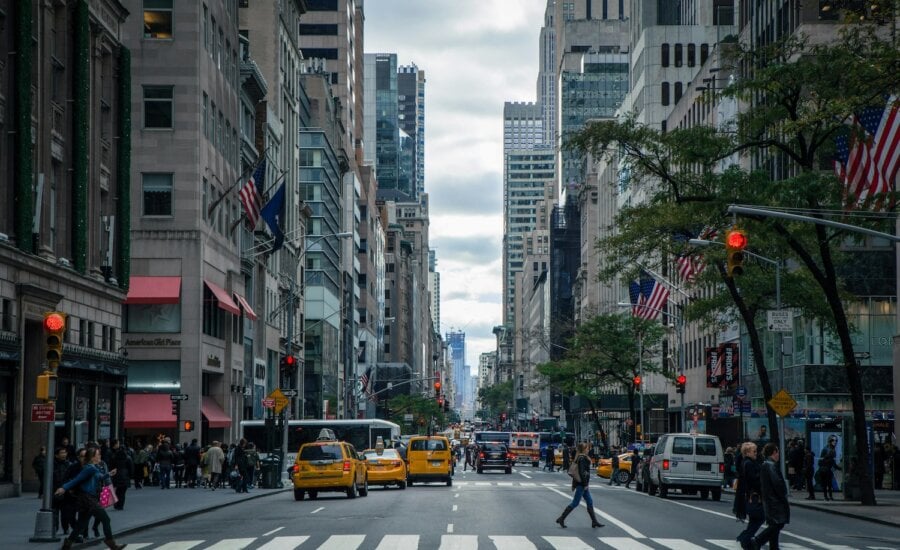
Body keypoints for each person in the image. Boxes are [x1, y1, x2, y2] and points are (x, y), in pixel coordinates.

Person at [55, 446, 125, 550]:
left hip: (88, 498)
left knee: (81, 524)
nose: (100, 456)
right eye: (98, 455)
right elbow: (76, 480)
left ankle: (67, 544)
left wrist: (109, 474)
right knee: (106, 519)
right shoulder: (89, 468)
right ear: (92, 457)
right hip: (88, 499)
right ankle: (111, 543)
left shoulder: (93, 467)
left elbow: (99, 477)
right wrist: (63, 488)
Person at [750, 443, 789, 550]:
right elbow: (777, 484)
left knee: (775, 524)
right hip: (774, 501)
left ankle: (773, 547)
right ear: (774, 453)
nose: (778, 455)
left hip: (769, 500)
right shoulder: (770, 465)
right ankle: (758, 540)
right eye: (777, 452)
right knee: (777, 524)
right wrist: (783, 494)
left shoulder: (766, 464)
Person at [555, 442, 603, 529]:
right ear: (584, 450)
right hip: (582, 484)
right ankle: (562, 518)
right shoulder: (582, 458)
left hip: (582, 484)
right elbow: (581, 472)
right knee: (575, 502)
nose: (588, 450)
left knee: (589, 501)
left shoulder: (580, 457)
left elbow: (579, 472)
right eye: (587, 448)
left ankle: (594, 521)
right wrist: (585, 484)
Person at [735, 442, 764, 549]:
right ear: (747, 452)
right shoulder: (749, 463)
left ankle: (746, 541)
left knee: (754, 520)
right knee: (759, 518)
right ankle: (745, 538)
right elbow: (753, 480)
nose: (756, 453)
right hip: (753, 496)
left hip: (749, 496)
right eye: (754, 451)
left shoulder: (746, 462)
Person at [51, 447, 72, 534]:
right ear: (56, 455)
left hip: (66, 491)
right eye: (61, 453)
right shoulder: (52, 465)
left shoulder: (69, 464)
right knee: (54, 511)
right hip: (54, 490)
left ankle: (65, 528)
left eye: (65, 452)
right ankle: (54, 528)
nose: (64, 454)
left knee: (65, 513)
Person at [110, 440, 133, 510]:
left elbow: (111, 466)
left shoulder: (114, 457)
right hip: (125, 476)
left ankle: (116, 504)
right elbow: (131, 468)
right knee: (122, 492)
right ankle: (120, 505)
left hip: (116, 475)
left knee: (117, 491)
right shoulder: (128, 458)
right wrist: (131, 476)